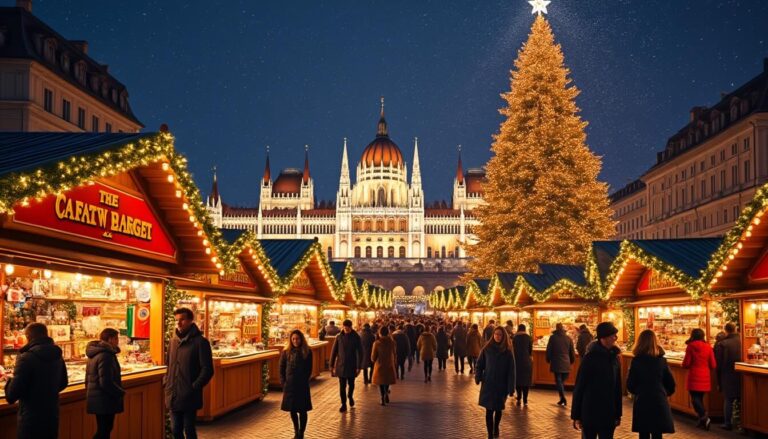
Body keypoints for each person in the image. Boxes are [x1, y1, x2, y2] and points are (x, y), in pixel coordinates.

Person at [4, 322, 68, 439]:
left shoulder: (25, 358)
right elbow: (63, 382)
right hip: (52, 416)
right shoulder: (57, 355)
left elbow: (12, 395)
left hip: (31, 419)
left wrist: (9, 380)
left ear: (28, 337)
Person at [165, 307, 214, 439]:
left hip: (189, 394)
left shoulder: (201, 342)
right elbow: (168, 365)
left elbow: (207, 369)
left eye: (182, 320)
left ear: (191, 321)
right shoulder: (173, 342)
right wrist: (167, 382)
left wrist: (194, 386)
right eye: (177, 320)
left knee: (189, 429)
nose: (179, 323)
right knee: (175, 430)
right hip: (173, 393)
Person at [571, 321, 623, 439]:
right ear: (603, 338)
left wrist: (618, 414)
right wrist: (576, 415)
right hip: (590, 412)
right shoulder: (590, 358)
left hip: (608, 413)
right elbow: (580, 386)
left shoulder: (614, 358)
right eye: (612, 335)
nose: (615, 338)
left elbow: (617, 388)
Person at [626, 329, 675, 439]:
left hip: (642, 399)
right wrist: (664, 392)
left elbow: (630, 384)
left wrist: (638, 392)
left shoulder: (636, 361)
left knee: (643, 432)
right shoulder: (661, 361)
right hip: (659, 399)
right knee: (657, 432)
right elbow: (671, 383)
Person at [476, 327, 516, 439]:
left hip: (501, 385)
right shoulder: (487, 349)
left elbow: (511, 371)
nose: (497, 336)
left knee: (498, 409)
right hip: (488, 383)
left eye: (500, 335)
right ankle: (490, 434)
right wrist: (478, 377)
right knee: (489, 410)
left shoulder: (508, 352)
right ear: (493, 335)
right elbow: (480, 364)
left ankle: (496, 427)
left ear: (503, 337)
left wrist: (511, 387)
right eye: (496, 334)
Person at [86, 328, 125, 439]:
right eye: (116, 338)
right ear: (110, 339)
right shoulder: (106, 355)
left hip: (97, 397)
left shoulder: (95, 353)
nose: (118, 341)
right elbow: (106, 381)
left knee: (103, 429)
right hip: (105, 399)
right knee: (104, 430)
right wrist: (120, 392)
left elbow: (88, 379)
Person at [280, 329, 313, 439]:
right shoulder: (286, 352)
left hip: (302, 385)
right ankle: (296, 431)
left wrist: (304, 380)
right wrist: (283, 382)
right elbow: (281, 367)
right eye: (293, 339)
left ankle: (301, 432)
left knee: (302, 410)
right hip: (290, 385)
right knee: (292, 409)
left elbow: (309, 369)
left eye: (297, 338)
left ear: (301, 339)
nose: (295, 341)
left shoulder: (307, 351)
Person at [682, 328, 717, 430]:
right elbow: (713, 364)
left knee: (694, 399)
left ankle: (704, 417)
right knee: (699, 398)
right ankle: (702, 421)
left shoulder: (690, 346)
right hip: (705, 375)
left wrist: (684, 365)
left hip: (694, 375)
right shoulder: (708, 347)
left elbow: (686, 363)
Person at [329, 319, 363, 413]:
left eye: (348, 328)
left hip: (352, 365)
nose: (346, 330)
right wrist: (331, 365)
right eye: (344, 328)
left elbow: (360, 352)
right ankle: (343, 404)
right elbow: (334, 351)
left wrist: (359, 366)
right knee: (342, 386)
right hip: (341, 365)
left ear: (351, 327)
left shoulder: (356, 337)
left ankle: (350, 396)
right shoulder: (339, 337)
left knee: (351, 384)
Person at [714, 323, 741, 430]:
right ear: (735, 329)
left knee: (728, 399)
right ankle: (742, 423)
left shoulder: (723, 344)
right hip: (742, 374)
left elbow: (718, 364)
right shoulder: (742, 341)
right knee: (742, 398)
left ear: (726, 330)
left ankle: (727, 423)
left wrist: (718, 380)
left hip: (728, 374)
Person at [546, 322, 575, 406]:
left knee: (559, 381)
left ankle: (562, 397)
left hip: (556, 361)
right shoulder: (568, 338)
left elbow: (549, 349)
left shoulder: (552, 338)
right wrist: (571, 360)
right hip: (566, 361)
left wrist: (548, 359)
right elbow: (571, 351)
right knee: (561, 381)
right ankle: (562, 397)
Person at [371, 326, 397, 406]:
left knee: (381, 382)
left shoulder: (377, 343)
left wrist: (373, 360)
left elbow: (373, 357)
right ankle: (386, 393)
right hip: (389, 364)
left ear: (380, 333)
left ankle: (382, 397)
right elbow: (395, 353)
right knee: (387, 380)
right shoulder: (392, 342)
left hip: (380, 364)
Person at [512, 324, 533, 406]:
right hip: (526, 362)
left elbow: (512, 349)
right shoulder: (528, 338)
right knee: (526, 381)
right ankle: (525, 400)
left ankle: (519, 397)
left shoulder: (515, 338)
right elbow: (530, 350)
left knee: (518, 380)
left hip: (517, 361)